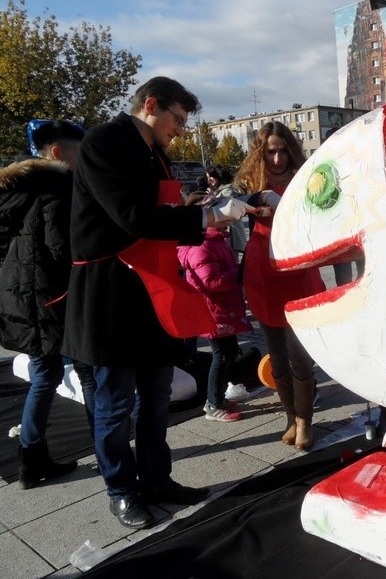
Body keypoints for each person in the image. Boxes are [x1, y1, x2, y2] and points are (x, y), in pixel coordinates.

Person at [61, 76, 249, 529]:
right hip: (112, 292)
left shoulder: (155, 153)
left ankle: (158, 479)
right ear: (151, 104)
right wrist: (207, 215)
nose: (181, 130)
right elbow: (132, 216)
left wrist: (226, 203)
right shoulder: (106, 142)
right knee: (114, 403)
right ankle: (121, 490)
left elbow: (165, 211)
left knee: (157, 395)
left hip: (153, 289)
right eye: (178, 119)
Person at [0, 120, 93, 489]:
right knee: (88, 372)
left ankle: (31, 459)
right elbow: (62, 248)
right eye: (79, 153)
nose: (82, 161)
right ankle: (109, 449)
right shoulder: (57, 186)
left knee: (44, 376)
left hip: (23, 298)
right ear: (57, 152)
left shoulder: (18, 189)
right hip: (53, 300)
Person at [234, 121, 325, 451]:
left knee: (300, 356)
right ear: (261, 152)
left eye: (282, 150)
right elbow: (231, 204)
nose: (276, 159)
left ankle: (305, 421)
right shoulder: (249, 182)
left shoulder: (306, 177)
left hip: (297, 270)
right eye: (270, 151)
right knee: (276, 356)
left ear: (290, 148)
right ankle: (291, 417)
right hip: (262, 271)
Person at [177, 195, 252, 422]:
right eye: (221, 214)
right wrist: (241, 273)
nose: (228, 218)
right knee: (221, 356)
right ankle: (212, 403)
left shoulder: (216, 239)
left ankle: (217, 397)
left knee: (228, 353)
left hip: (222, 309)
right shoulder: (202, 245)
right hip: (214, 311)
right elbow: (211, 281)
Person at [205, 164, 246, 255]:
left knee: (230, 264)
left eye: (211, 177)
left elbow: (220, 209)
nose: (208, 180)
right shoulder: (220, 191)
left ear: (219, 176)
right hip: (224, 233)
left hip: (229, 234)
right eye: (207, 177)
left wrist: (211, 198)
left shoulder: (228, 191)